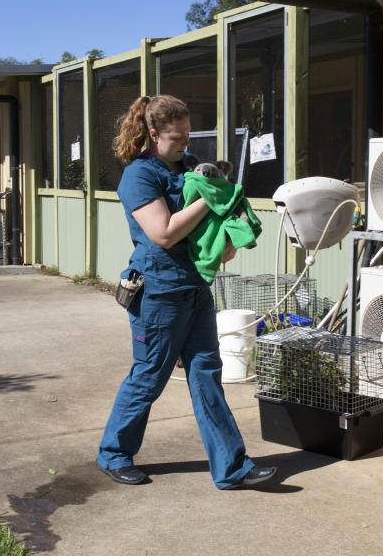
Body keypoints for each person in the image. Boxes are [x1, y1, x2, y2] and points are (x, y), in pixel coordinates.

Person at [95, 94, 277, 490]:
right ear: (153, 134)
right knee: (149, 377)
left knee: (207, 375)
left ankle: (232, 467)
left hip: (195, 288)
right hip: (158, 293)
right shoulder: (139, 175)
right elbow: (163, 233)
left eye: (188, 136)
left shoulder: (194, 168)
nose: (185, 145)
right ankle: (113, 453)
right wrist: (215, 198)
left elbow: (215, 225)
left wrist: (227, 237)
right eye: (176, 138)